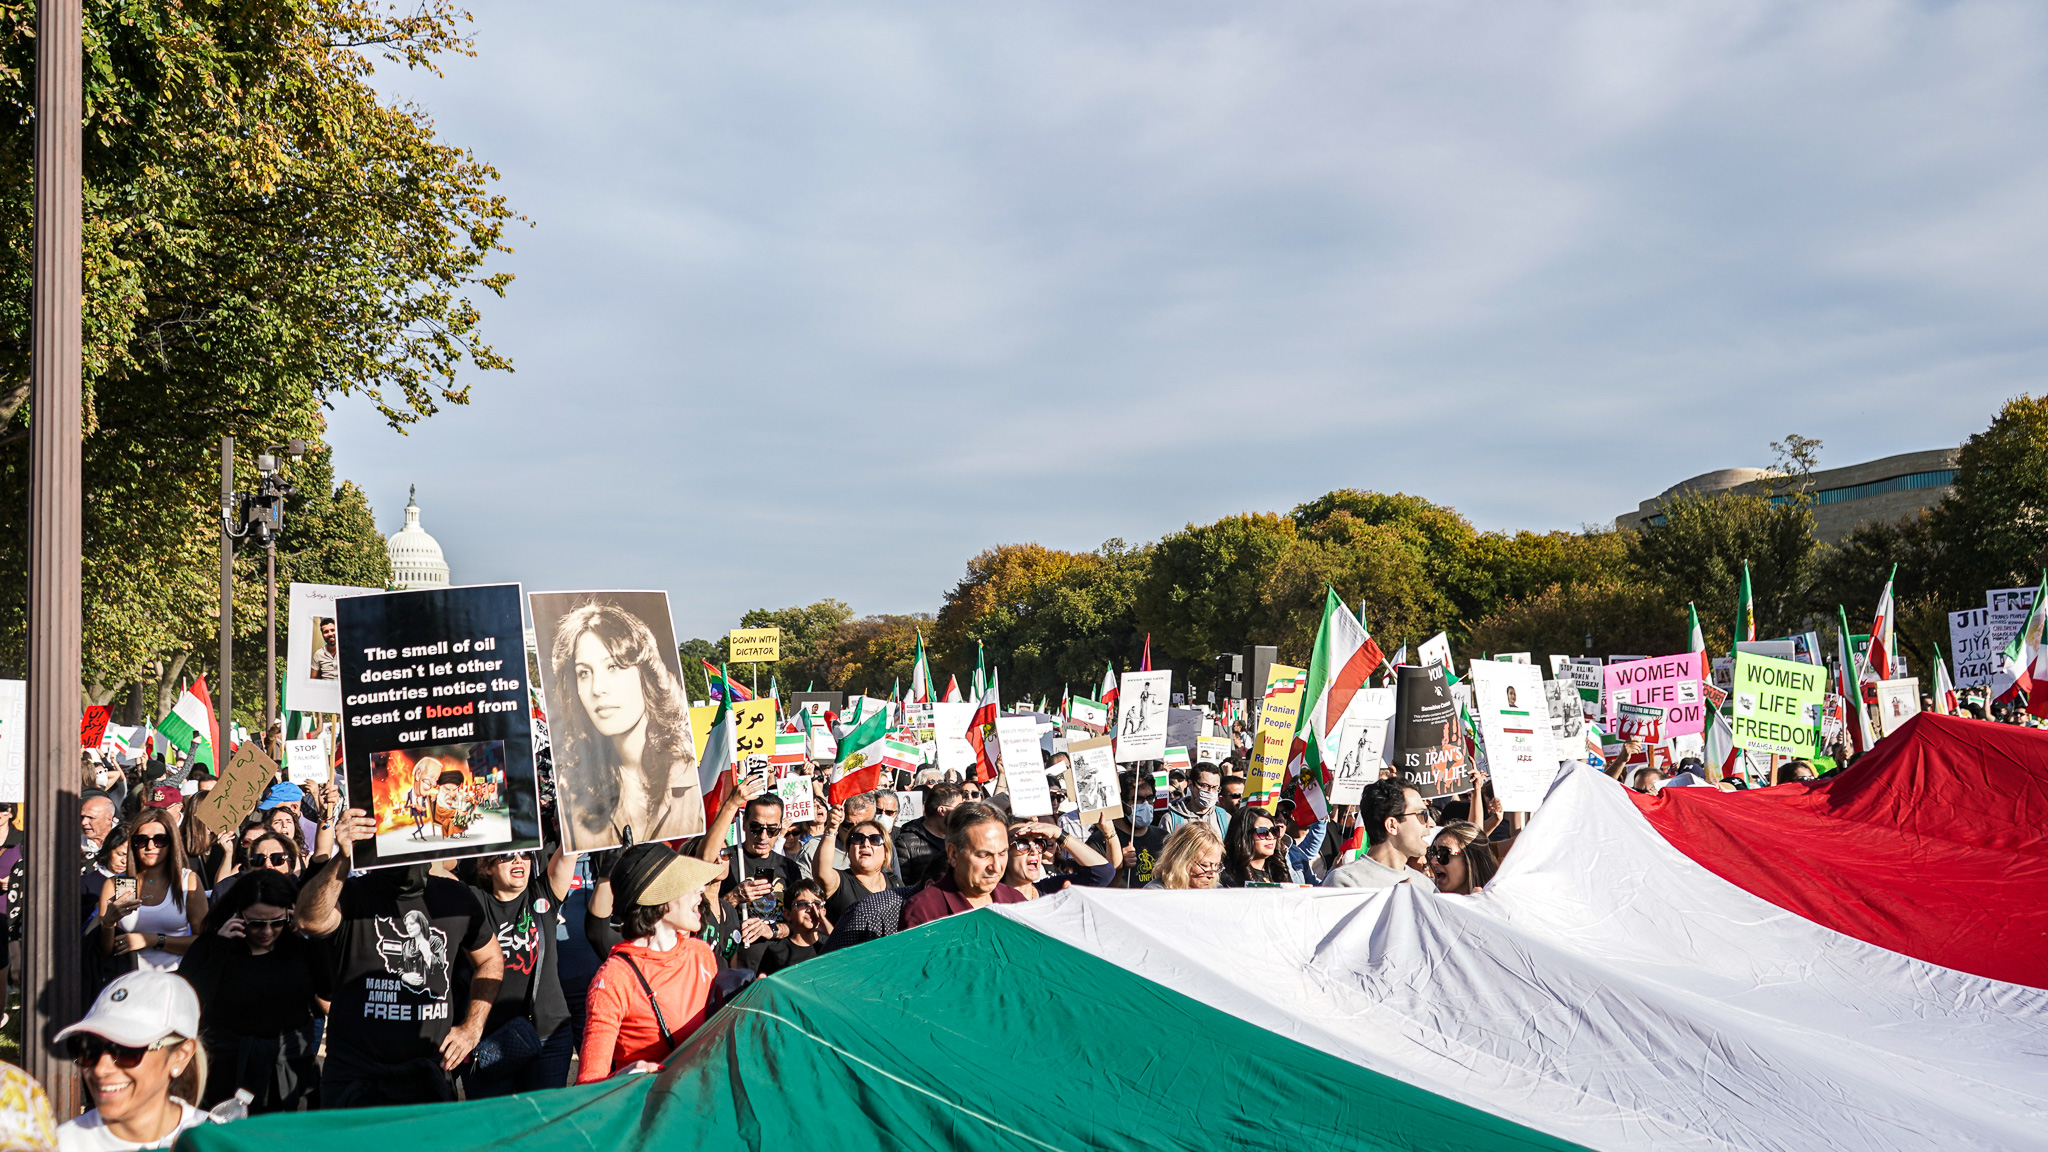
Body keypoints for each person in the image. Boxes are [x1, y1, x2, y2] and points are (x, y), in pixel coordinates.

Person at [294, 805, 504, 1109]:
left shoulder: (455, 898)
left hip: (426, 1076)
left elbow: (491, 960)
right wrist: (343, 857)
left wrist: (472, 1027)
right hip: (356, 1079)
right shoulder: (352, 894)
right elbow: (308, 920)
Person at [549, 600, 702, 850]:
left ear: (645, 674)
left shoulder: (692, 780)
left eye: (613, 667)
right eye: (584, 673)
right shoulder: (573, 791)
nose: (598, 689)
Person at [176, 870, 327, 1113]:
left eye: (276, 922)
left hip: (289, 1068)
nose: (267, 932)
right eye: (256, 923)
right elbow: (189, 1001)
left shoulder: (299, 946)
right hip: (227, 1070)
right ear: (238, 915)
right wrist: (219, 949)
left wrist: (311, 935)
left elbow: (327, 986)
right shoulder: (213, 946)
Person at [577, 843, 724, 1082]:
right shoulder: (614, 978)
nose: (700, 889)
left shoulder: (701, 953)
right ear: (658, 900)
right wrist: (622, 1078)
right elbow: (588, 1083)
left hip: (704, 1102)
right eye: (686, 884)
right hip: (651, 1111)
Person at [55, 972, 211, 1152]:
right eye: (89, 1048)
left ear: (181, 1056)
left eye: (127, 1050)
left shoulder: (218, 1143)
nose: (100, 1069)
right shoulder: (56, 1145)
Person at [465, 848, 577, 1097]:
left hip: (548, 1037)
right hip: (489, 1040)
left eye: (526, 854)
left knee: (543, 1124)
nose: (518, 860)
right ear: (487, 867)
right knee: (497, 1127)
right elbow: (431, 868)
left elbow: (572, 847)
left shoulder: (542, 893)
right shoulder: (472, 901)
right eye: (506, 855)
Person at [98, 812, 207, 972]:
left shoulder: (187, 881)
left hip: (174, 977)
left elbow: (203, 943)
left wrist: (153, 940)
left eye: (160, 840)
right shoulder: (114, 884)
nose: (150, 846)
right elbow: (103, 952)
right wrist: (108, 923)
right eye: (141, 840)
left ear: (172, 842)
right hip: (127, 979)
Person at [710, 792, 804, 972]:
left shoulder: (788, 867)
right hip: (733, 967)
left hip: (777, 968)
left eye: (772, 830)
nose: (763, 836)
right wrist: (734, 897)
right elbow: (704, 915)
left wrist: (772, 930)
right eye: (756, 827)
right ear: (744, 823)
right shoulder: (724, 859)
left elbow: (798, 925)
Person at [900, 803, 1027, 928]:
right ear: (953, 854)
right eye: (984, 855)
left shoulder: (1016, 902)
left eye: (1002, 853)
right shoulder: (923, 912)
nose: (996, 867)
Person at [1321, 778, 1430, 889]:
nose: (1431, 823)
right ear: (1392, 825)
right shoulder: (1345, 881)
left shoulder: (1427, 886)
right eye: (1422, 815)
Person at [1001, 816, 1113, 898]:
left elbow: (1103, 872)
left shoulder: (1050, 890)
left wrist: (1059, 834)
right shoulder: (992, 899)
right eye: (1022, 844)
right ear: (1003, 853)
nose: (1034, 850)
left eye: (1039, 843)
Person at [817, 807, 895, 922]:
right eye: (858, 838)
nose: (866, 844)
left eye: (875, 839)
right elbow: (821, 873)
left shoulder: (895, 883)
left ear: (886, 852)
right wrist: (831, 830)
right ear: (848, 849)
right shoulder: (840, 884)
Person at [892, 782, 963, 883]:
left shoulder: (959, 838)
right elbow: (901, 886)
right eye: (958, 808)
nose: (961, 813)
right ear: (942, 810)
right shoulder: (905, 842)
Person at [1222, 806, 1309, 886]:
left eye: (1274, 830)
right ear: (1243, 835)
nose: (1271, 836)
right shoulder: (1227, 877)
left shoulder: (1280, 871)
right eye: (1262, 832)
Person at [755, 880, 827, 976]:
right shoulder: (776, 951)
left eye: (817, 904)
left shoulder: (830, 945)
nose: (810, 909)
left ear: (823, 911)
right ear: (788, 914)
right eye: (802, 904)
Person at [1427, 821, 1500, 895]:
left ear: (1470, 860)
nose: (1433, 861)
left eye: (1444, 853)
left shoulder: (1495, 903)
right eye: (1432, 852)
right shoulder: (1423, 898)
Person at [1145, 823, 1224, 890]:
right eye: (1205, 865)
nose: (1213, 875)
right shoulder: (1155, 893)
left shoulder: (1217, 890)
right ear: (1181, 860)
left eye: (1217, 866)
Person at [1158, 763, 1225, 838]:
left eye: (1215, 787)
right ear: (1190, 785)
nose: (1210, 791)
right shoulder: (1171, 820)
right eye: (1205, 786)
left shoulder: (1224, 818)